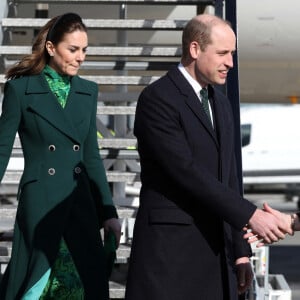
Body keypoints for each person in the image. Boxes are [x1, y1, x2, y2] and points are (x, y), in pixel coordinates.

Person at [125, 14, 293, 300]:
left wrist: (240, 252)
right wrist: (251, 215)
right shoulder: (158, 99)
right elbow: (185, 171)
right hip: (171, 259)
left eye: (232, 54)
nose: (230, 62)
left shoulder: (220, 102)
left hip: (217, 258)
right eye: (223, 53)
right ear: (194, 49)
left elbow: (228, 177)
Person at [0, 12, 121, 299]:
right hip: (40, 204)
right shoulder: (20, 90)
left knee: (82, 285)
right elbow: (2, 148)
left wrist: (108, 211)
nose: (81, 57)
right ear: (51, 48)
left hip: (79, 203)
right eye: (73, 49)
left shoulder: (87, 92)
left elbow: (90, 156)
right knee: (35, 285)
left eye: (84, 50)